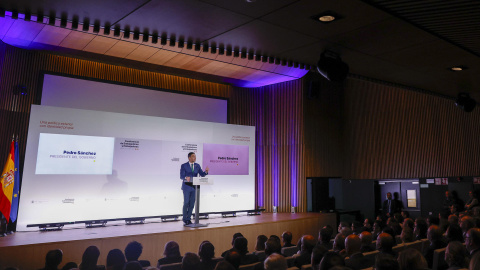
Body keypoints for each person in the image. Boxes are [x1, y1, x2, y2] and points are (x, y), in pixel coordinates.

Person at [179, 152, 209, 226]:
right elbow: (181, 176)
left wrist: (206, 172)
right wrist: (186, 177)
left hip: (194, 187)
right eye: (193, 156)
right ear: (189, 158)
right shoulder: (184, 165)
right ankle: (184, 219)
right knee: (186, 202)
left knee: (192, 204)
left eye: (195, 156)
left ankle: (188, 219)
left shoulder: (197, 165)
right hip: (186, 187)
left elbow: (202, 174)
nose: (194, 158)